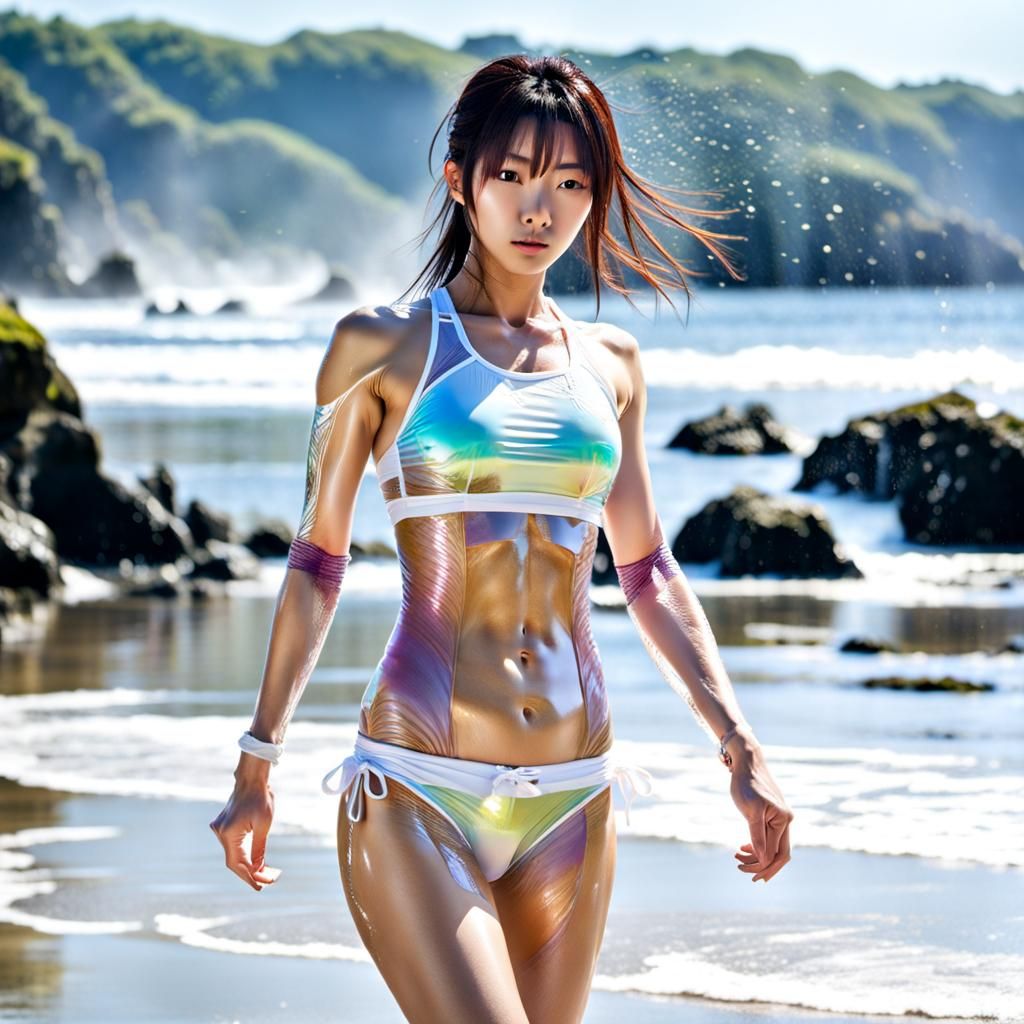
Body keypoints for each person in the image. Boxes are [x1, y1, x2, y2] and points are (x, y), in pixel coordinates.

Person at [209, 53, 793, 1024]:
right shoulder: (380, 345)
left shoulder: (612, 364)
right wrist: (253, 765)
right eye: (513, 177)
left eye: (569, 183)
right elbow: (315, 562)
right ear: (460, 180)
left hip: (575, 792)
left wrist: (739, 746)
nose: (540, 209)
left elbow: (647, 572)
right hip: (417, 786)